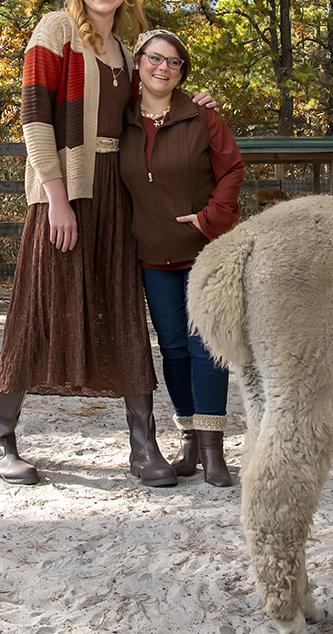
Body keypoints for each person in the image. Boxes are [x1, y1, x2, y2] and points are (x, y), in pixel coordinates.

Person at [0, 0, 213, 488]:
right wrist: (57, 200)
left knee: (125, 311)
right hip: (67, 191)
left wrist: (192, 102)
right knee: (41, 306)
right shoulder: (56, 30)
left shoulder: (128, 52)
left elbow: (148, 111)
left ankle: (142, 445)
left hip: (118, 194)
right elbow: (35, 118)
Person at [119, 29, 245, 487]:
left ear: (182, 72)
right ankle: (189, 443)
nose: (163, 67)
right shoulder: (122, 119)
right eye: (155, 58)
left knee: (205, 347)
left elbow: (231, 169)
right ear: (138, 63)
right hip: (152, 256)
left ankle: (214, 451)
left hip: (204, 252)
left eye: (174, 62)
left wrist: (210, 218)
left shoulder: (202, 116)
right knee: (172, 348)